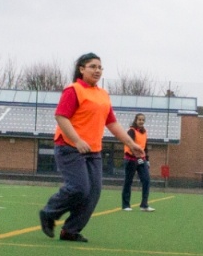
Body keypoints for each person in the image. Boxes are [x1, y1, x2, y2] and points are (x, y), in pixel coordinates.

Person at [38, 54, 143, 242]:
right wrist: (77, 140)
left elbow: (112, 123)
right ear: (81, 69)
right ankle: (49, 213)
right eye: (92, 66)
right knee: (79, 187)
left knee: (93, 193)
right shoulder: (74, 90)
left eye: (100, 67)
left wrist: (131, 143)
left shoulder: (103, 95)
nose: (97, 70)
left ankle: (70, 230)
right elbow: (61, 117)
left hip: (93, 151)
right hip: (69, 147)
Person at [120, 114, 152, 211]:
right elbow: (130, 145)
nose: (141, 121)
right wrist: (137, 157)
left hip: (141, 159)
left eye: (143, 120)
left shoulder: (144, 132)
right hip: (130, 159)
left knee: (146, 180)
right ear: (136, 120)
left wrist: (147, 160)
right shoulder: (131, 131)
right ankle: (126, 205)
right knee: (128, 181)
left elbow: (145, 147)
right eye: (139, 119)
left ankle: (144, 205)